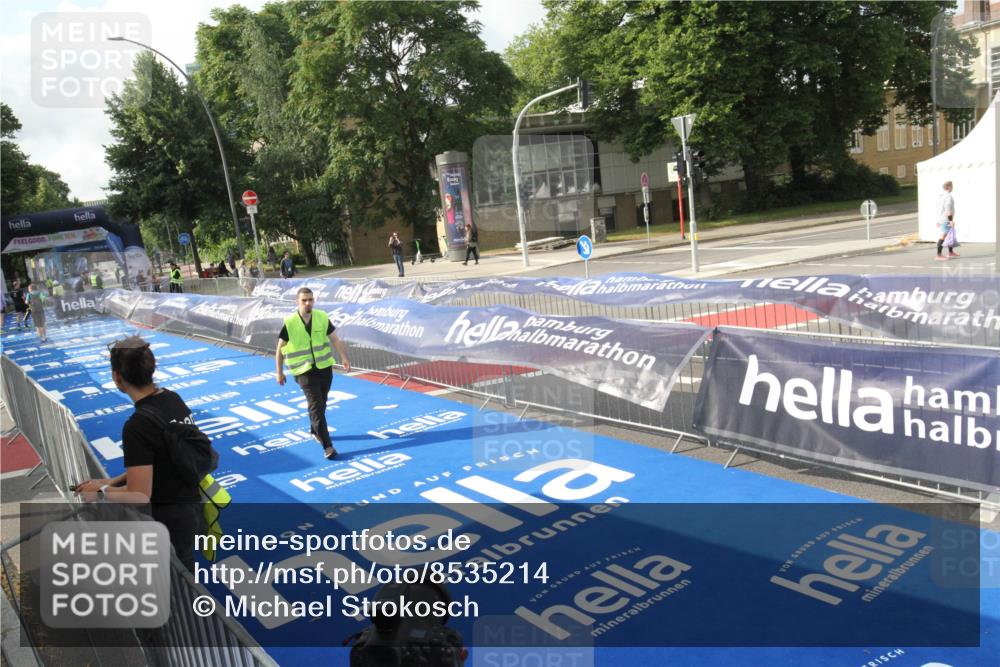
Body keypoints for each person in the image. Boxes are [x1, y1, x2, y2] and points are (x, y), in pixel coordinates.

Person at [75, 337, 206, 571]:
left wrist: (101, 494)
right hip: (191, 506)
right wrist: (106, 482)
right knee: (185, 572)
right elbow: (159, 462)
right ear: (150, 368)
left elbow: (139, 494)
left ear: (117, 377)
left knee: (176, 587)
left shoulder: (137, 426)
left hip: (167, 520)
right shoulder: (172, 398)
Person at [275, 288, 351, 459]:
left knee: (321, 403)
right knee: (316, 405)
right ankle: (328, 446)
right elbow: (279, 350)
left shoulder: (322, 317)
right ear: (297, 302)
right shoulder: (290, 322)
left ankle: (314, 430)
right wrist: (279, 372)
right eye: (304, 300)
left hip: (324, 368)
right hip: (303, 371)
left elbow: (335, 339)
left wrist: (344, 357)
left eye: (310, 299)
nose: (308, 303)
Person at [936, 180, 959, 261]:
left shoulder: (940, 196)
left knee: (950, 235)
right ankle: (939, 255)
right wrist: (950, 220)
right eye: (952, 186)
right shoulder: (948, 197)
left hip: (941, 218)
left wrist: (938, 220)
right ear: (949, 187)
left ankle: (950, 252)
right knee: (943, 236)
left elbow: (939, 209)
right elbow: (948, 210)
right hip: (946, 219)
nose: (952, 188)